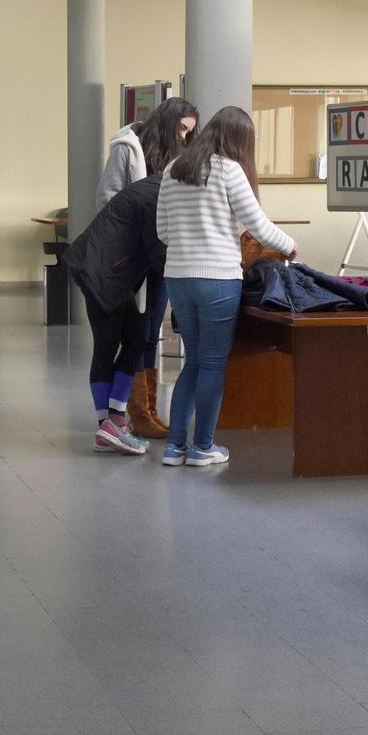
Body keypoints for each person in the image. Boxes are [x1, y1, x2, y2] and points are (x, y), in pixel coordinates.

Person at [156, 107, 295, 468]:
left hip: (178, 278)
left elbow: (163, 232)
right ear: (238, 140)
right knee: (213, 364)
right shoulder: (229, 171)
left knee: (193, 362)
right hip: (217, 278)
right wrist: (290, 246)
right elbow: (258, 226)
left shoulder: (173, 169)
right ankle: (203, 447)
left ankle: (174, 447)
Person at [98, 98, 201, 438]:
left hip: (163, 255)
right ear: (167, 122)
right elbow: (108, 198)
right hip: (133, 255)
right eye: (182, 129)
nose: (184, 137)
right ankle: (132, 411)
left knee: (153, 330)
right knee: (136, 334)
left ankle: (148, 412)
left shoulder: (179, 158)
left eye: (189, 132)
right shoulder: (128, 149)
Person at [66, 174, 168, 456]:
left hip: (100, 268)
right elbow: (158, 253)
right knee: (119, 342)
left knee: (130, 340)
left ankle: (111, 425)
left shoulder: (155, 188)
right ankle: (110, 426)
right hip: (102, 272)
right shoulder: (156, 199)